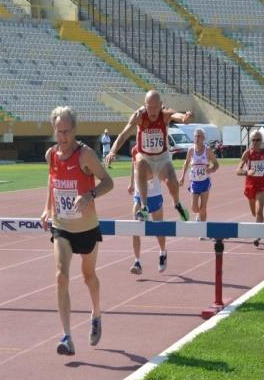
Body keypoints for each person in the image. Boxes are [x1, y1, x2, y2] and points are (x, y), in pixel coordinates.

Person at [40, 106, 113, 356]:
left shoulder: (85, 155)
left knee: (88, 276)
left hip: (87, 227)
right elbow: (52, 184)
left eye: (67, 131)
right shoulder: (51, 155)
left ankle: (96, 313)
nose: (63, 137)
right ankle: (67, 336)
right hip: (62, 226)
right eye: (59, 132)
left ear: (75, 129)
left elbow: (108, 182)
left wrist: (89, 194)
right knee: (61, 275)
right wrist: (47, 209)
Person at [104, 90, 193, 222]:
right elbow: (124, 134)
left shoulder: (164, 113)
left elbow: (178, 116)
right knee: (139, 162)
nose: (152, 111)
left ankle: (178, 204)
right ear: (145, 105)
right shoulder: (139, 116)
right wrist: (112, 150)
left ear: (161, 105)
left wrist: (185, 118)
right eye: (149, 107)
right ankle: (144, 207)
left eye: (155, 107)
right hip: (146, 157)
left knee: (172, 181)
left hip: (162, 158)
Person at [128, 145, 166, 274]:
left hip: (154, 195)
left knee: (158, 230)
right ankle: (137, 262)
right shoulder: (135, 150)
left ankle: (162, 252)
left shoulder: (156, 149)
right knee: (135, 229)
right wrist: (131, 182)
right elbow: (134, 166)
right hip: (139, 197)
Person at [179, 128, 219, 236]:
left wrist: (211, 169)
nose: (196, 138)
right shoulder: (191, 150)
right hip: (194, 182)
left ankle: (203, 230)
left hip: (205, 181)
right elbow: (186, 163)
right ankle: (198, 216)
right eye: (195, 136)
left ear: (203, 138)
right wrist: (182, 177)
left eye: (199, 136)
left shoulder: (208, 151)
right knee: (194, 208)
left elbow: (216, 164)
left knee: (203, 207)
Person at [236, 130, 264, 247]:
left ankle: (257, 235)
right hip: (250, 185)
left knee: (259, 211)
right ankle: (258, 227)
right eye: (253, 140)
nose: (256, 142)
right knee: (253, 212)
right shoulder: (247, 154)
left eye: (258, 140)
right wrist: (247, 172)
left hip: (262, 185)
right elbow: (237, 171)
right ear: (250, 141)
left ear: (261, 141)